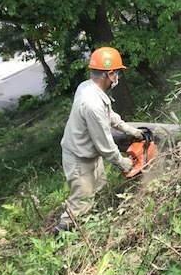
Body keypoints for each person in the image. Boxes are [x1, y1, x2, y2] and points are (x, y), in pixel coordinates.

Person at [54, 47, 143, 234]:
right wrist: (123, 163)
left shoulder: (87, 87)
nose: (118, 77)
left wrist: (130, 130)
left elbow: (109, 116)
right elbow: (104, 143)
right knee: (80, 203)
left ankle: (91, 228)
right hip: (79, 159)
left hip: (89, 156)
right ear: (110, 74)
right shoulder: (91, 103)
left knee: (98, 188)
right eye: (117, 73)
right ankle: (61, 236)